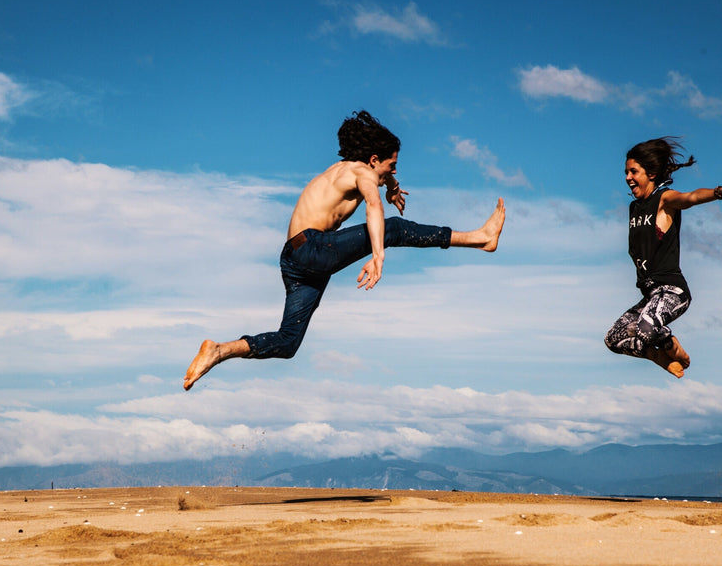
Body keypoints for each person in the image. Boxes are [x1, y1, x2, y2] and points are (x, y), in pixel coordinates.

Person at [184, 110, 506, 390]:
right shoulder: (361, 173)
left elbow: (382, 183)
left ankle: (219, 351)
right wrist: (377, 255)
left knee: (287, 342)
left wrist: (393, 186)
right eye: (392, 165)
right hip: (312, 248)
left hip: (295, 260)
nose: (394, 172)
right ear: (374, 160)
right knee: (392, 228)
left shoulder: (344, 170)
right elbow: (373, 207)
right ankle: (480, 238)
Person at [604, 136, 722, 378]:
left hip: (673, 292)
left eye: (633, 171)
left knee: (644, 328)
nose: (627, 177)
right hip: (651, 295)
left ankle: (669, 344)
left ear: (651, 173)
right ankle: (657, 356)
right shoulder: (634, 208)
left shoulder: (664, 199)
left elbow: (690, 198)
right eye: (626, 172)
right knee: (613, 338)